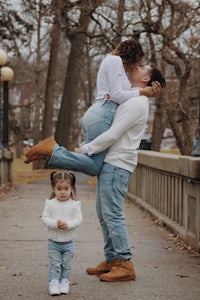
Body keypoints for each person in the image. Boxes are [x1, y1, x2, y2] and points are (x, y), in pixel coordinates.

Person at [24, 65, 166, 282]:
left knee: (112, 214)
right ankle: (111, 260)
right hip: (112, 161)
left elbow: (114, 133)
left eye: (143, 67)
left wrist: (87, 148)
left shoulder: (137, 103)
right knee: (104, 215)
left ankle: (125, 264)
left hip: (118, 164)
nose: (136, 67)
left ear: (146, 77)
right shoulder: (134, 97)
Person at [24, 39, 160, 169]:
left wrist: (149, 92)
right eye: (138, 62)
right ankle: (52, 151)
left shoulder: (115, 63)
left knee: (94, 164)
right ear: (133, 56)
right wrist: (143, 92)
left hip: (102, 112)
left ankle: (48, 153)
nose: (136, 66)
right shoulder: (115, 61)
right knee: (94, 166)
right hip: (104, 112)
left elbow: (127, 93)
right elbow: (117, 95)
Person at [41, 171, 82, 295]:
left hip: (69, 242)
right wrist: (55, 224)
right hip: (54, 242)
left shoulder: (75, 205)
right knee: (55, 263)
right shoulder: (50, 204)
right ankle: (54, 282)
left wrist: (68, 225)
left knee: (66, 264)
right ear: (53, 189)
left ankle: (65, 281)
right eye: (59, 189)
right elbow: (44, 218)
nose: (63, 192)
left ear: (72, 189)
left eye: (66, 189)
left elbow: (78, 219)